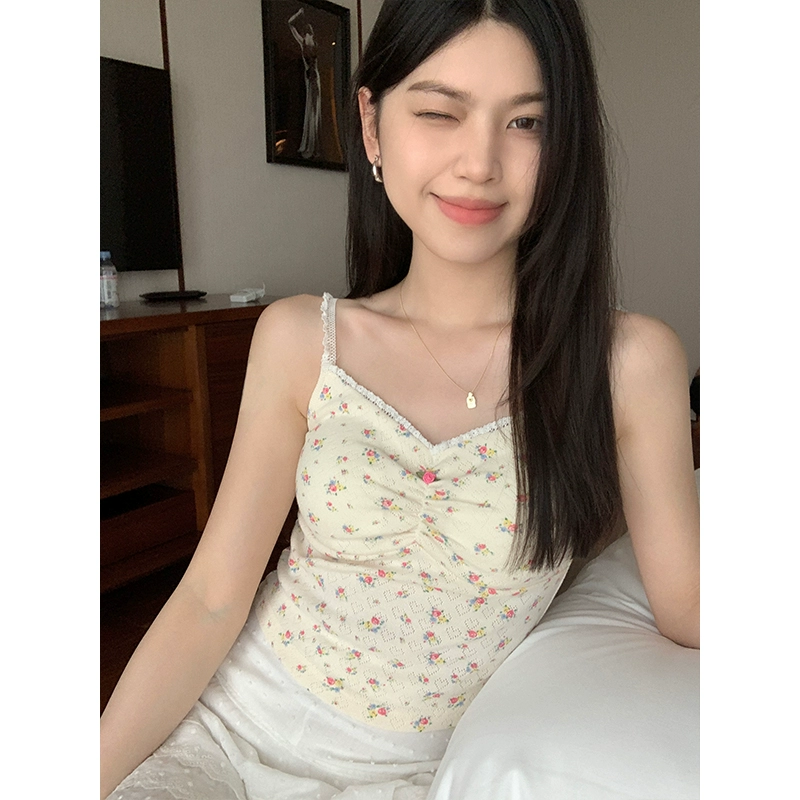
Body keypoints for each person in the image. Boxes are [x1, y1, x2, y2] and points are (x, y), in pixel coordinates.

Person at [100, 0, 700, 797]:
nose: (479, 163)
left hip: (421, 775)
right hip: (227, 737)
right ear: (372, 126)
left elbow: (690, 608)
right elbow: (210, 600)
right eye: (440, 112)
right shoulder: (299, 340)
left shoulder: (627, 364)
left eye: (527, 123)